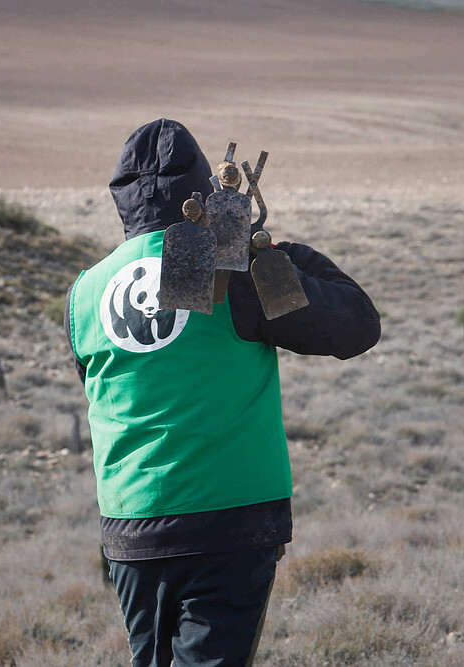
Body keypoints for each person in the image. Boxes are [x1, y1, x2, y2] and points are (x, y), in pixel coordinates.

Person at [64, 119, 381, 667]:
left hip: (129, 527)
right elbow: (356, 325)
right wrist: (276, 252)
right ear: (202, 188)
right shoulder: (233, 274)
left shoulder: (85, 292)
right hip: (228, 519)